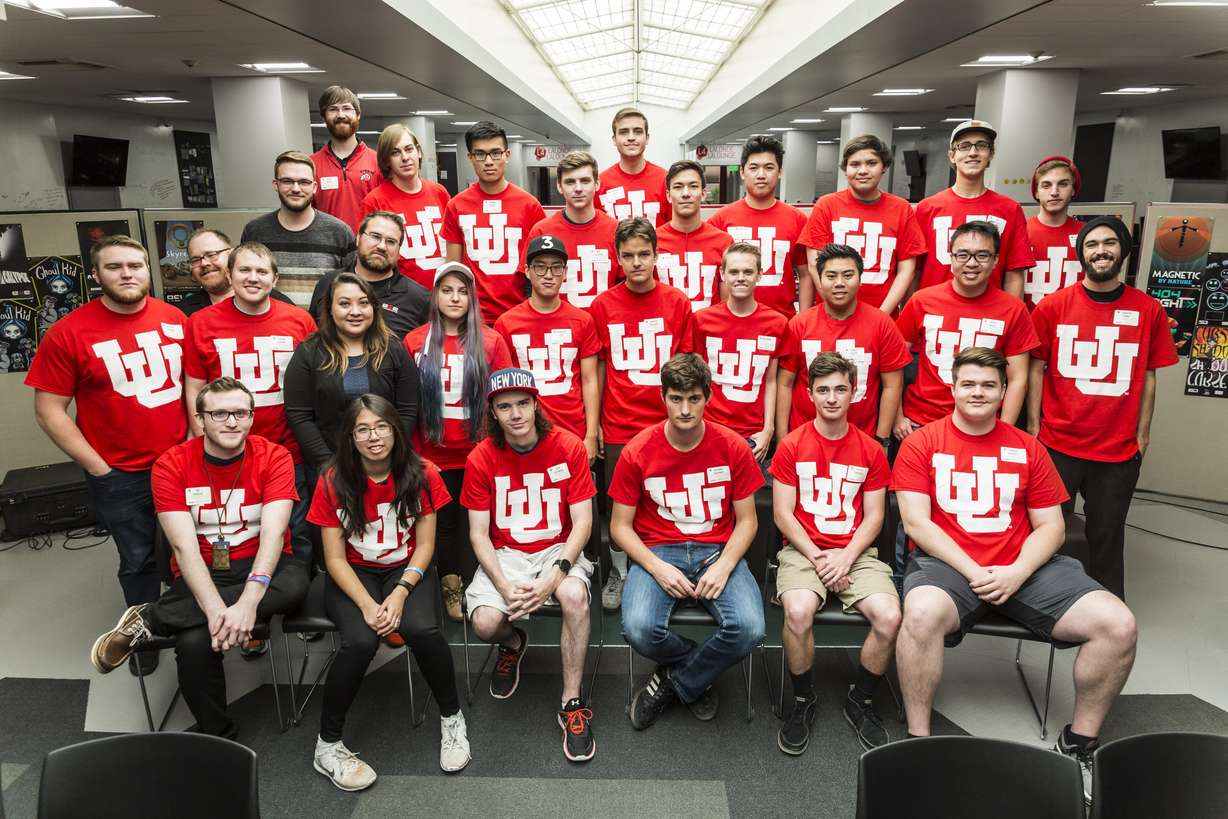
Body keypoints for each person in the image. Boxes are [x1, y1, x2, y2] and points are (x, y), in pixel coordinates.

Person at [892, 346, 1137, 803]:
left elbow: (1052, 526)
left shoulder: (1027, 448)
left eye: (989, 384)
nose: (978, 392)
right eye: (969, 383)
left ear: (1005, 390)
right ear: (953, 387)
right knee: (921, 613)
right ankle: (918, 742)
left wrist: (1014, 572)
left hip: (1024, 568)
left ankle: (1080, 742)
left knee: (1118, 625)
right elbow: (917, 524)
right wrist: (976, 571)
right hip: (948, 566)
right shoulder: (921, 443)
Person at [88, 377, 310, 740]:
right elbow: (183, 548)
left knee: (296, 586)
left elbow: (274, 534)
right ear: (200, 419)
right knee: (193, 645)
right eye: (219, 413)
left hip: (264, 566)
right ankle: (218, 737)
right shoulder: (171, 464)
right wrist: (215, 609)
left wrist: (247, 604)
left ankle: (152, 618)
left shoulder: (274, 456)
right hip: (204, 569)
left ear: (252, 417)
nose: (232, 422)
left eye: (241, 412)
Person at [26, 235, 187, 674]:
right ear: (96, 275)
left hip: (180, 465)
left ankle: (192, 624)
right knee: (138, 558)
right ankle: (143, 634)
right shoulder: (68, 333)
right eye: (115, 267)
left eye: (136, 265)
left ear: (148, 271)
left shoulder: (174, 318)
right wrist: (99, 466)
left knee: (188, 549)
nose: (128, 274)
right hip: (121, 473)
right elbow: (48, 411)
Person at [308, 394, 469, 788]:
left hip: (405, 568)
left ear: (396, 430)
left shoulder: (423, 473)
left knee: (424, 630)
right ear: (350, 437)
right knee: (359, 642)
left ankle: (452, 718)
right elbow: (334, 559)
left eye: (381, 427)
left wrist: (398, 593)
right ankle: (327, 745)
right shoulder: (333, 479)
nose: (373, 437)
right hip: (354, 572)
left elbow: (427, 546)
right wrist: (367, 604)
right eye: (362, 429)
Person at [613, 353, 766, 729]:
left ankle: (674, 682)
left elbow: (748, 521)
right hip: (658, 551)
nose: (685, 409)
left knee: (750, 628)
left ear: (708, 397)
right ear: (662, 397)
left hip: (717, 550)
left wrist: (726, 565)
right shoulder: (637, 451)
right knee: (637, 628)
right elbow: (620, 527)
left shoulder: (732, 447)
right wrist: (656, 567)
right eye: (676, 398)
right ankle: (699, 671)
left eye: (694, 398)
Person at [1028, 216, 1178, 599]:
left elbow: (1149, 376)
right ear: (1082, 253)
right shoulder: (1052, 306)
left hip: (1118, 449)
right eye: (1092, 244)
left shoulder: (1149, 310)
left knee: (1107, 535)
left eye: (1109, 243)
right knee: (1048, 531)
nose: (1100, 251)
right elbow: (1036, 368)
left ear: (1123, 251)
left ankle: (1108, 611)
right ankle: (1044, 603)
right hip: (1058, 443)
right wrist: (1033, 428)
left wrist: (1142, 435)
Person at [462, 368, 598, 762]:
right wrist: (505, 588)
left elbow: (584, 523)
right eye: (505, 407)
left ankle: (571, 702)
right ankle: (512, 641)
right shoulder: (481, 457)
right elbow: (477, 534)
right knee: (485, 622)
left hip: (557, 548)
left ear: (536, 404)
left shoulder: (568, 446)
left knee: (573, 596)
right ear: (493, 412)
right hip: (507, 553)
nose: (516, 414)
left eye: (523, 404)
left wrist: (554, 576)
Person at [772, 352, 900, 754]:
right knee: (797, 612)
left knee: (890, 616)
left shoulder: (871, 450)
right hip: (802, 550)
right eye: (823, 390)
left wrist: (845, 556)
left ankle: (859, 699)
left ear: (855, 392)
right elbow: (782, 514)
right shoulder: (792, 445)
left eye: (840, 389)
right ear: (809, 394)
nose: (831, 398)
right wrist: (822, 559)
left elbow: (875, 516)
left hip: (856, 551)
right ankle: (803, 699)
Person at [184, 242, 318, 618]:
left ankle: (296, 606)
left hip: (287, 449)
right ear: (229, 275)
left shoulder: (299, 321)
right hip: (228, 453)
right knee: (241, 533)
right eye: (244, 270)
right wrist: (201, 440)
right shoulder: (202, 323)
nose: (253, 278)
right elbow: (194, 387)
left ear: (275, 278)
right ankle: (246, 614)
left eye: (262, 272)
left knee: (297, 532)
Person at [590, 218, 695, 610]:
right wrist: (597, 422)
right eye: (628, 256)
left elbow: (685, 365)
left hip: (666, 423)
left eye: (643, 254)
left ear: (656, 255)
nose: (636, 263)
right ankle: (619, 570)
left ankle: (657, 567)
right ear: (617, 259)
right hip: (619, 422)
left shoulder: (677, 302)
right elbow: (598, 367)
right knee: (619, 505)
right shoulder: (603, 304)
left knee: (663, 502)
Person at [404, 262, 513, 620]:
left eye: (462, 291)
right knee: (446, 524)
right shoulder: (415, 341)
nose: (454, 297)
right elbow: (407, 402)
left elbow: (504, 397)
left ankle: (486, 585)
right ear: (434, 295)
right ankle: (452, 587)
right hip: (433, 455)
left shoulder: (492, 340)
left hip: (480, 453)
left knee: (482, 524)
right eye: (446, 290)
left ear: (472, 297)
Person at [895, 222, 1038, 439]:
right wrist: (897, 417)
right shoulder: (922, 301)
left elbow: (1018, 378)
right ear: (951, 258)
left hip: (984, 425)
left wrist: (1004, 431)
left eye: (982, 255)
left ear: (996, 260)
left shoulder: (1014, 309)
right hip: (921, 422)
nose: (971, 263)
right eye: (962, 254)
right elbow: (893, 363)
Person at [777, 244, 910, 446]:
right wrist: (782, 439)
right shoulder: (799, 324)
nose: (839, 283)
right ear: (819, 281)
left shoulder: (882, 324)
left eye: (848, 275)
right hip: (804, 441)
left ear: (860, 279)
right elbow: (785, 384)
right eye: (831, 276)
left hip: (862, 440)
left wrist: (882, 441)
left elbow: (892, 386)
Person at [286, 272, 419, 473]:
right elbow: (300, 416)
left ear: (374, 308)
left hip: (388, 467)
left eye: (363, 303)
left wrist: (392, 457)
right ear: (330, 309)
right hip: (331, 469)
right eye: (345, 304)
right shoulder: (309, 352)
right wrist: (328, 467)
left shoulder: (393, 349)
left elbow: (408, 409)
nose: (355, 311)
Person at [494, 235, 601, 460]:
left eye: (556, 268)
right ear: (527, 270)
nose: (549, 275)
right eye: (540, 267)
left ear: (565, 273)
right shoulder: (506, 323)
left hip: (574, 429)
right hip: (526, 434)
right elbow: (505, 388)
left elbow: (590, 380)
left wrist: (591, 435)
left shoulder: (583, 320)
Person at [801, 134, 927, 314]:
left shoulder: (901, 209)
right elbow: (814, 263)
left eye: (871, 163)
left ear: (884, 167)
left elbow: (907, 269)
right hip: (832, 315)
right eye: (855, 164)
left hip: (883, 315)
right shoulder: (827, 205)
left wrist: (881, 316)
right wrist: (835, 305)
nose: (863, 170)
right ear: (845, 169)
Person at [441, 121, 546, 323]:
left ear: (507, 155)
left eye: (495, 153)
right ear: (470, 158)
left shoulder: (529, 205)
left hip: (520, 314)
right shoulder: (456, 205)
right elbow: (453, 268)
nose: (488, 161)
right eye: (480, 154)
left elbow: (540, 266)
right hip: (473, 318)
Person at [692, 241, 788, 464]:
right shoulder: (702, 320)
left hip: (753, 434)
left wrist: (768, 429)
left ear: (760, 275)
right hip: (709, 428)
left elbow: (771, 381)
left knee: (748, 498)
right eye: (733, 271)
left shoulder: (777, 323)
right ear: (722, 274)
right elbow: (696, 379)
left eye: (748, 271)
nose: (741, 277)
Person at [914, 120, 1033, 296]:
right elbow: (914, 271)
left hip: (989, 315)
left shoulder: (1010, 209)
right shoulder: (927, 208)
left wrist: (1011, 318)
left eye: (981, 146)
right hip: (935, 313)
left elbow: (1014, 273)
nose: (973, 153)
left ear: (991, 154)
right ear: (952, 156)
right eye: (964, 146)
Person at [708, 135, 811, 316]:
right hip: (732, 324)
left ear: (780, 172)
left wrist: (803, 320)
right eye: (754, 168)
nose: (761, 175)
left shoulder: (797, 219)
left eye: (769, 167)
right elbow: (715, 277)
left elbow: (805, 274)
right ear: (742, 172)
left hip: (782, 323)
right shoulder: (720, 220)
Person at [240, 150, 356, 303]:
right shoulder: (255, 232)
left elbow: (354, 287)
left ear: (314, 187)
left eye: (304, 182)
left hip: (324, 325)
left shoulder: (339, 233)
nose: (296, 188)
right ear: (276, 184)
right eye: (287, 181)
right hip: (273, 325)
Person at [308, 211, 429, 339]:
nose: (382, 246)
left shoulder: (419, 298)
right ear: (358, 238)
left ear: (399, 250)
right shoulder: (328, 283)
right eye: (375, 236)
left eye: (391, 241)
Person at [360, 123, 451, 290]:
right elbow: (368, 260)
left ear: (419, 152)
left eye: (409, 149)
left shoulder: (439, 193)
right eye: (395, 152)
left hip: (443, 294)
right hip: (400, 298)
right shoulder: (375, 201)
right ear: (387, 161)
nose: (405, 157)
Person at [526, 150, 619, 309]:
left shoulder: (616, 231)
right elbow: (529, 287)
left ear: (596, 184)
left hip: (605, 327)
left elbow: (624, 287)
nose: (578, 188)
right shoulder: (542, 231)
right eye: (570, 182)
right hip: (557, 329)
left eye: (585, 181)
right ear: (559, 186)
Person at [656, 160, 733, 313]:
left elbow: (727, 305)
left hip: (710, 332)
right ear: (668, 195)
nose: (686, 193)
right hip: (667, 332)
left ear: (703, 194)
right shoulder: (653, 241)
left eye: (693, 186)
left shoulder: (723, 241)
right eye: (678, 187)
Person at [310, 86, 382, 233]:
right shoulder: (311, 165)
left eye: (347, 108)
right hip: (327, 249)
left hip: (370, 249)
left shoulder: (379, 161)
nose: (340, 114)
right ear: (324, 116)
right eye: (333, 109)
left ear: (358, 115)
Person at [178, 228, 294, 316]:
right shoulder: (183, 313)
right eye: (195, 260)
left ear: (231, 254)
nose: (204, 263)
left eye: (211, 255)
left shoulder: (278, 302)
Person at [1024, 156, 1084, 310]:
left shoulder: (1088, 235)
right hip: (1029, 325)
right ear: (1036, 192)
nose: (1054, 192)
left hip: (1072, 325)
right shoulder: (1020, 232)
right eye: (1046, 185)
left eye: (1063, 184)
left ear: (1073, 190)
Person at [598, 107, 670, 225]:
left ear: (647, 138)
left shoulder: (666, 180)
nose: (631, 137)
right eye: (623, 132)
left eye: (638, 131)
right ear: (614, 140)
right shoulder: (600, 184)